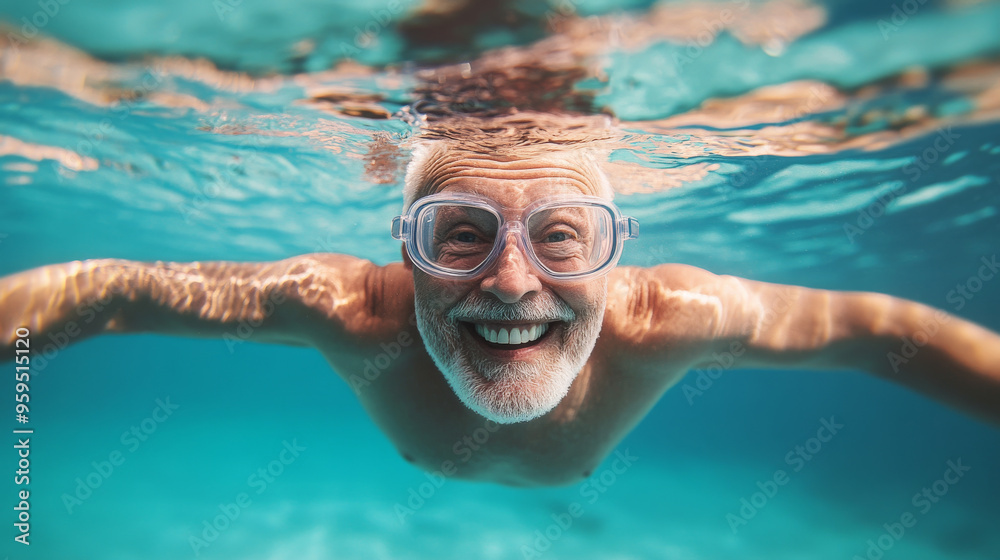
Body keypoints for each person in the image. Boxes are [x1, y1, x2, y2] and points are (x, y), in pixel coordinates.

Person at [2, 135, 999, 488]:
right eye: (458, 232)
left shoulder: (674, 317)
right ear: (407, 248)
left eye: (563, 234)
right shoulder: (345, 309)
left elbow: (884, 333)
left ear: (621, 251)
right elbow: (114, 292)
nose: (514, 283)